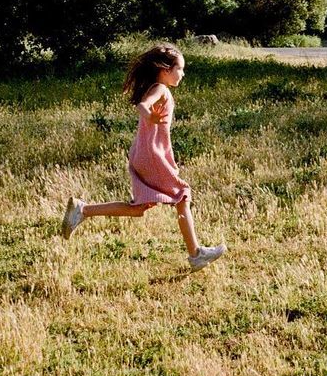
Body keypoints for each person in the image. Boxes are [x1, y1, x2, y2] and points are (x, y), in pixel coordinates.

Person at [62, 44, 227, 271]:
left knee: (138, 208)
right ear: (165, 70)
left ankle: (83, 210)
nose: (183, 74)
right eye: (180, 69)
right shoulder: (160, 89)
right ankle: (196, 254)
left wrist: (152, 118)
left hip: (144, 154)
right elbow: (142, 105)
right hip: (152, 156)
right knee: (182, 194)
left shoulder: (157, 88)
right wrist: (150, 115)